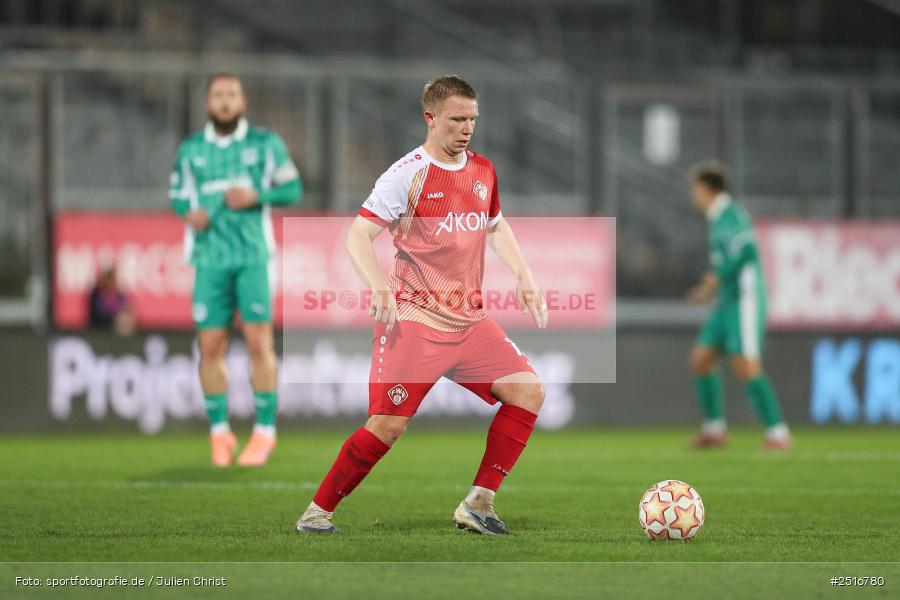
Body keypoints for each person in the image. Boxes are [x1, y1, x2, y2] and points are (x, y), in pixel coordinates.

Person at [295, 75, 548, 535]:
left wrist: (524, 274)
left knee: (528, 391)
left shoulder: (484, 170)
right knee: (387, 426)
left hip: (469, 322)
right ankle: (317, 511)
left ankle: (479, 503)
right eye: (457, 119)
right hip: (415, 321)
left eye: (472, 119)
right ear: (430, 119)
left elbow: (495, 226)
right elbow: (358, 234)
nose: (467, 128)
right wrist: (378, 285)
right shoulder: (405, 174)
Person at [168, 73, 302, 467]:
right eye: (218, 95)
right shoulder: (192, 150)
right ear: (209, 103)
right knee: (210, 347)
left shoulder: (263, 143)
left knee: (259, 342)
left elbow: (293, 189)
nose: (225, 101)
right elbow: (177, 195)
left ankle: (264, 432)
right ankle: (219, 432)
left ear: (242, 103)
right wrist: (187, 214)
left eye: (232, 95)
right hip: (209, 259)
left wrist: (258, 195)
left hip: (251, 258)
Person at [686, 161, 792, 450]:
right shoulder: (717, 218)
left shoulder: (730, 214)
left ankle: (778, 433)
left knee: (746, 365)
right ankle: (714, 429)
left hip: (745, 299)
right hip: (727, 301)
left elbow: (748, 250)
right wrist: (713, 287)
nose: (693, 195)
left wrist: (714, 280)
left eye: (695, 189)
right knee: (702, 357)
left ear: (706, 188)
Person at [88, 265, 135, 336]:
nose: (110, 282)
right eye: (108, 279)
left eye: (112, 279)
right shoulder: (96, 295)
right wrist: (114, 318)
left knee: (125, 317)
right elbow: (98, 315)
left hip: (117, 325)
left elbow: (127, 308)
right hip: (102, 327)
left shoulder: (120, 295)